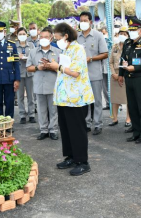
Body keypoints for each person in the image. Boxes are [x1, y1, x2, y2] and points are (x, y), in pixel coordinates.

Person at [47, 23, 94, 176]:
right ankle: (71, 157)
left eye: (57, 37)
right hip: (64, 97)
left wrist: (57, 66)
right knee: (66, 129)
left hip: (76, 98)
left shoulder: (78, 49)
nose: (56, 40)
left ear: (66, 35)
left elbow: (75, 72)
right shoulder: (66, 49)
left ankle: (82, 162)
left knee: (77, 130)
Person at [119, 17, 141, 144]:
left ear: (140, 31)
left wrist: (135, 68)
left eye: (134, 30)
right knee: (132, 106)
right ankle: (136, 132)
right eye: (130, 30)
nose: (131, 32)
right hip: (129, 78)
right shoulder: (128, 43)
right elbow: (123, 59)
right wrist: (121, 73)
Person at [26, 27, 61, 141]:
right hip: (39, 85)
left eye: (46, 37)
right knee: (41, 110)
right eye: (41, 37)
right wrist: (38, 67)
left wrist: (51, 67)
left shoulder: (58, 52)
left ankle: (53, 130)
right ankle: (43, 130)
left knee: (53, 109)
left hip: (53, 85)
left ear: (51, 38)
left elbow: (62, 69)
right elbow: (28, 68)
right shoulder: (33, 52)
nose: (43, 39)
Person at [77, 11, 108, 135]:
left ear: (90, 22)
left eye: (85, 20)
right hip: (80, 75)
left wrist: (91, 58)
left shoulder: (98, 35)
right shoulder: (77, 37)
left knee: (96, 100)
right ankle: (87, 123)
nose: (83, 23)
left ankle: (98, 124)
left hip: (95, 73)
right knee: (84, 100)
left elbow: (105, 54)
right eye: (81, 21)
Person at [109, 26, 132, 130]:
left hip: (126, 75)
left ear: (128, 35)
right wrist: (114, 73)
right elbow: (110, 62)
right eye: (121, 33)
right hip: (115, 75)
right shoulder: (114, 47)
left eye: (125, 34)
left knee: (128, 98)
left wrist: (122, 75)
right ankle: (115, 118)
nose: (122, 35)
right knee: (115, 99)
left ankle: (128, 119)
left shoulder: (130, 47)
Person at [16, 27, 36, 124]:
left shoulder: (31, 45)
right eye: (20, 34)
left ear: (26, 35)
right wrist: (17, 57)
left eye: (24, 34)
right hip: (19, 73)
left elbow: (34, 57)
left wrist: (25, 58)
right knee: (20, 96)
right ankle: (22, 115)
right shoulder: (14, 46)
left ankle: (31, 114)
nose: (22, 36)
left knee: (30, 95)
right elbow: (11, 59)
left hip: (30, 73)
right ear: (17, 36)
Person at [100, 26, 110, 110]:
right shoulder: (100, 41)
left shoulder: (112, 41)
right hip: (102, 67)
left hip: (110, 67)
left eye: (104, 33)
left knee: (112, 87)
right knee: (105, 88)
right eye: (102, 33)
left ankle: (116, 104)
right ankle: (107, 103)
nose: (104, 35)